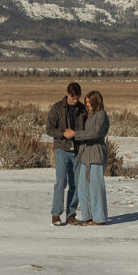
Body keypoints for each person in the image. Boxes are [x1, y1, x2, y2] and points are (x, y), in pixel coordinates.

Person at [46, 81, 87, 226]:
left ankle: (71, 215)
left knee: (76, 184)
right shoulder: (57, 108)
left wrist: (77, 134)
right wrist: (63, 133)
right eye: (73, 97)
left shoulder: (82, 109)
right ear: (67, 94)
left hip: (78, 151)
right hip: (62, 150)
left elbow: (88, 130)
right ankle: (56, 214)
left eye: (77, 97)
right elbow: (49, 129)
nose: (75, 100)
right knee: (61, 182)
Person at [76, 90, 109, 226]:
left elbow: (95, 133)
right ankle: (87, 216)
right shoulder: (89, 116)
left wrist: (76, 134)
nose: (87, 105)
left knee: (96, 187)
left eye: (89, 102)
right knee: (83, 187)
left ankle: (99, 217)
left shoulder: (101, 115)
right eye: (86, 102)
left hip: (96, 154)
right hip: (85, 155)